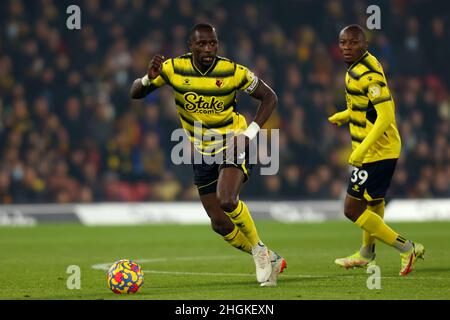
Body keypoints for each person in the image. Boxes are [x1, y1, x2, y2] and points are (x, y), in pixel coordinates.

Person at [130, 23, 286, 286]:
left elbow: (269, 97)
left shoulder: (232, 71)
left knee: (227, 200)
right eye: (201, 44)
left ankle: (260, 251)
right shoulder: (173, 69)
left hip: (232, 142)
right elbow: (136, 93)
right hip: (201, 152)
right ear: (190, 46)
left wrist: (248, 135)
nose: (208, 48)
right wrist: (147, 78)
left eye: (212, 43)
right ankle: (268, 255)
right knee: (219, 223)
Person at [328, 24, 425, 276]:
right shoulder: (358, 68)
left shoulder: (368, 74)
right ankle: (366, 253)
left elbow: (385, 116)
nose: (347, 48)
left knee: (352, 208)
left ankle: (406, 247)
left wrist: (361, 151)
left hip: (376, 151)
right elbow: (368, 107)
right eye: (343, 43)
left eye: (353, 43)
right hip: (379, 148)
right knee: (374, 202)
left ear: (365, 45)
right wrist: (347, 114)